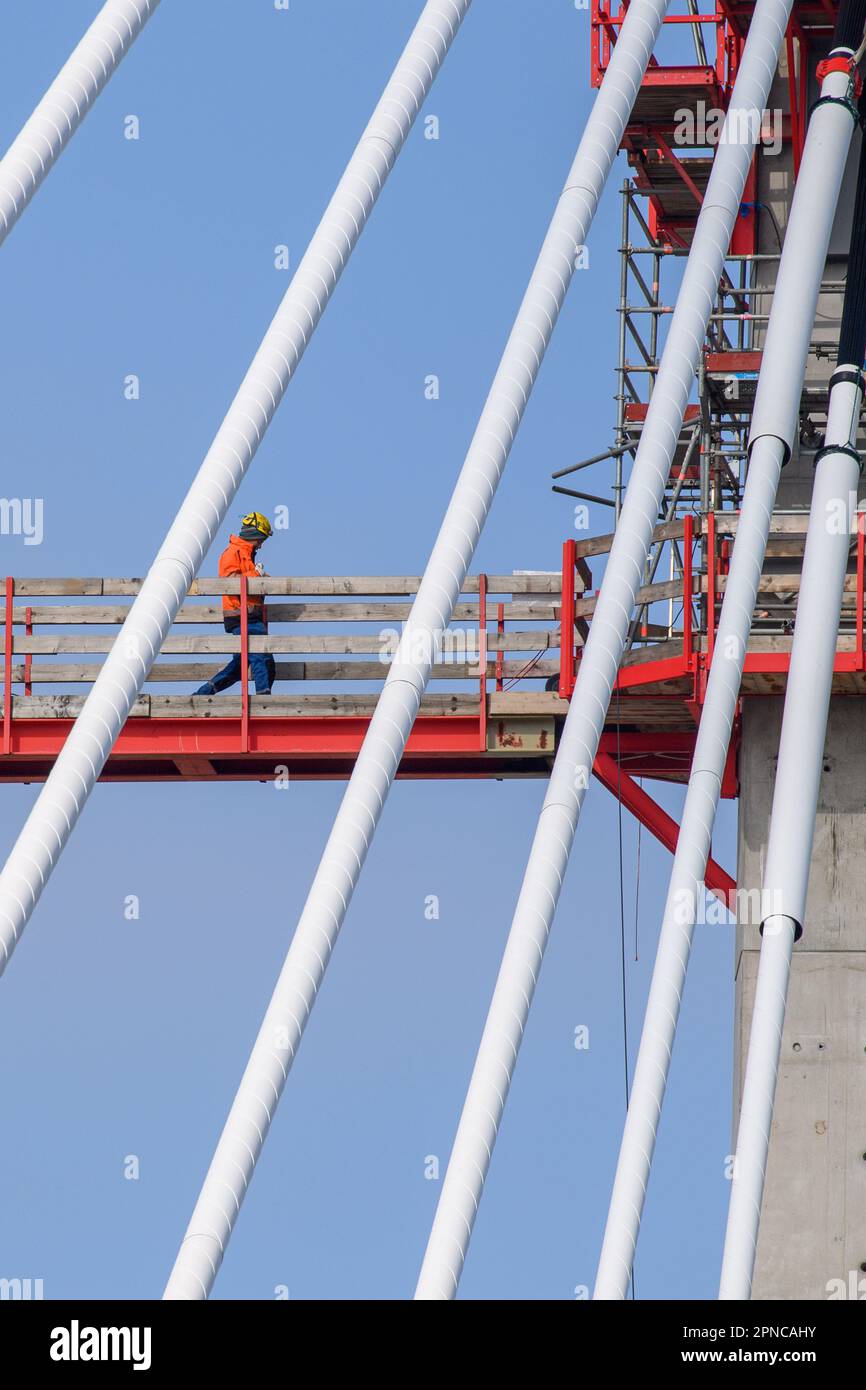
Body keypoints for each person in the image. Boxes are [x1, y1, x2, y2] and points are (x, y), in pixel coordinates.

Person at [195, 512, 276, 696]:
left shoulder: (246, 554)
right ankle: (264, 700)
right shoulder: (233, 553)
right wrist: (257, 576)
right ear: (253, 535)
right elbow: (230, 580)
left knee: (240, 666)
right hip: (242, 616)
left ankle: (203, 694)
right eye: (260, 539)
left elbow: (245, 580)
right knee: (261, 657)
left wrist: (262, 581)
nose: (261, 544)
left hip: (249, 616)